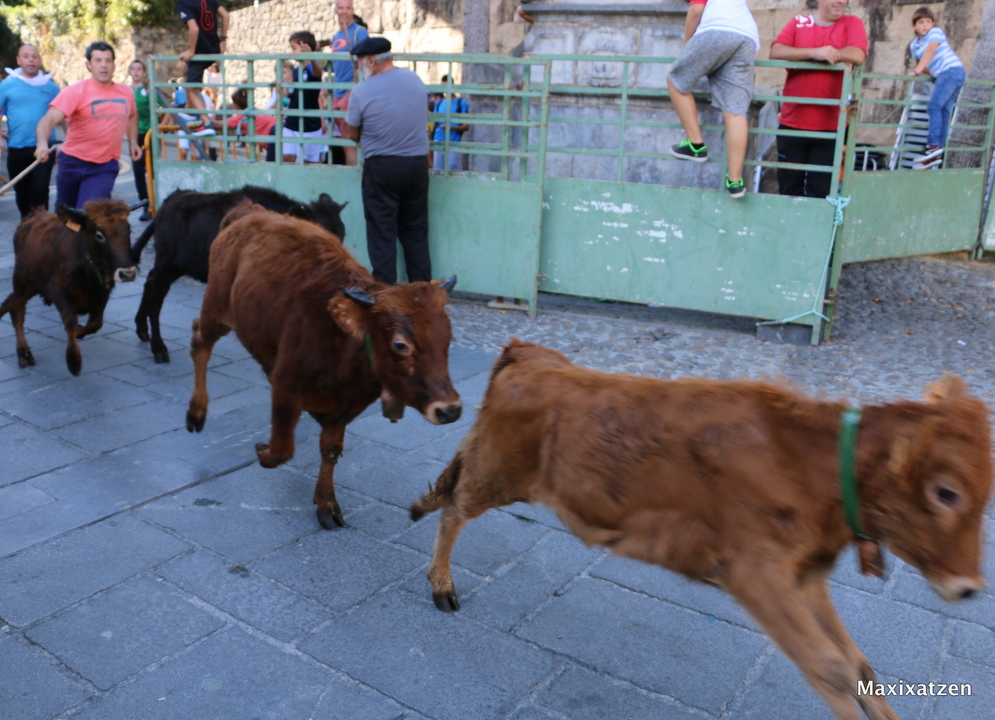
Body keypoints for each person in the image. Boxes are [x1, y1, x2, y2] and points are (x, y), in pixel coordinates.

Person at [345, 36, 432, 284]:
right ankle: (421, 291)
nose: (359, 67)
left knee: (382, 233)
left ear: (372, 61)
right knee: (415, 231)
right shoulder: (414, 79)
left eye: (360, 62)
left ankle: (385, 293)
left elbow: (351, 132)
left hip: (382, 166)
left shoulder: (362, 91)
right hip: (417, 164)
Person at [769, 0, 867, 198]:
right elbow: (776, 50)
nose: (840, 1)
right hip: (792, 123)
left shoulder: (852, 22)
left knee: (821, 193)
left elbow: (857, 54)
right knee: (788, 190)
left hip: (831, 126)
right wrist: (814, 53)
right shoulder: (799, 21)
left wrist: (828, 53)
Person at [667, 0, 759, 198]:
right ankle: (735, 180)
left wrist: (687, 46)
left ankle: (696, 145)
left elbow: (696, 9)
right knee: (735, 111)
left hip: (718, 27)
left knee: (675, 80)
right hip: (747, 35)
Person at [35, 42, 141, 209]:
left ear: (114, 65)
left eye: (108, 60)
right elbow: (48, 120)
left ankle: (86, 225)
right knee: (67, 215)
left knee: (89, 213)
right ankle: (71, 226)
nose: (104, 65)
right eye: (98, 60)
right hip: (72, 163)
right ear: (89, 65)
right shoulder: (75, 91)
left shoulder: (126, 93)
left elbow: (132, 115)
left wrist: (133, 142)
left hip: (105, 166)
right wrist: (42, 143)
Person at [0, 45, 59, 218]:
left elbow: (64, 117)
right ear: (18, 60)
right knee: (22, 194)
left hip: (45, 148)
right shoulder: (7, 85)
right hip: (17, 148)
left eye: (34, 56)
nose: (30, 60)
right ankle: (27, 226)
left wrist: (70, 142)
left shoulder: (51, 87)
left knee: (40, 191)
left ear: (40, 60)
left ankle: (41, 227)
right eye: (26, 56)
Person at [908, 6, 965, 169]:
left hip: (952, 71)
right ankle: (937, 152)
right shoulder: (914, 45)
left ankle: (933, 146)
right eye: (921, 22)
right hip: (944, 75)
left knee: (933, 106)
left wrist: (916, 71)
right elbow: (921, 62)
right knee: (943, 112)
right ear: (914, 26)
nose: (925, 25)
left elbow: (931, 50)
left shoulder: (935, 33)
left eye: (928, 22)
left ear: (932, 23)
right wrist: (926, 70)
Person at [330, 0, 368, 166]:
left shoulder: (360, 32)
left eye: (348, 8)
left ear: (353, 10)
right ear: (335, 10)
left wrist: (352, 90)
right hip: (337, 93)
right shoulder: (336, 36)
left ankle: (354, 176)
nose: (344, 11)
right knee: (345, 143)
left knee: (351, 142)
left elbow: (364, 62)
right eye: (341, 8)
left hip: (350, 92)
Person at [177, 0, 229, 118]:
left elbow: (194, 29)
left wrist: (191, 51)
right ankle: (189, 105)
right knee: (185, 67)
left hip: (200, 50)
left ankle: (206, 121)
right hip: (213, 47)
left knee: (191, 88)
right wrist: (223, 39)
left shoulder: (183, 2)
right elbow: (226, 15)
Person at [283, 31, 324, 164]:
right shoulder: (296, 70)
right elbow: (296, 93)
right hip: (292, 120)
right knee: (287, 158)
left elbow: (318, 74)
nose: (292, 52)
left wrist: (311, 56)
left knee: (308, 162)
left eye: (294, 48)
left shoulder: (313, 67)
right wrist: (287, 93)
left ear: (305, 47)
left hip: (309, 123)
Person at [129, 59, 159, 220]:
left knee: (153, 170)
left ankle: (158, 201)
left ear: (144, 72)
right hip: (134, 136)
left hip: (149, 135)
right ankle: (145, 205)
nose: (136, 72)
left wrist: (160, 127)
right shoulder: (125, 91)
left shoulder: (148, 89)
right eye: (133, 69)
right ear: (129, 72)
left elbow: (166, 108)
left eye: (139, 69)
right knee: (138, 172)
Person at [432, 74, 469, 171]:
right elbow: (434, 122)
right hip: (438, 141)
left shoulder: (461, 103)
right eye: (443, 86)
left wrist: (451, 128)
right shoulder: (439, 103)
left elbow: (466, 126)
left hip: (453, 143)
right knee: (438, 172)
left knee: (453, 172)